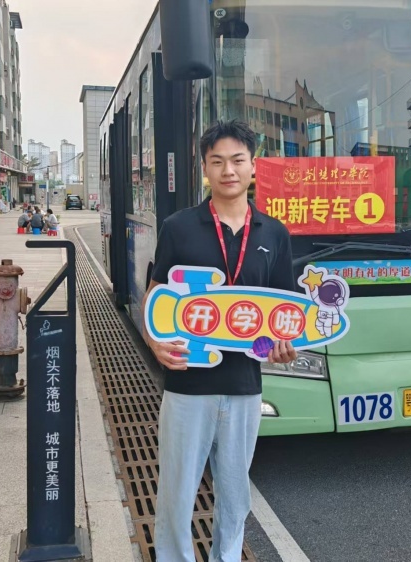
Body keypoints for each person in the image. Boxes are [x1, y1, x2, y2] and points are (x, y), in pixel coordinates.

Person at [144, 120, 297, 562]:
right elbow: (156, 295)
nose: (228, 170)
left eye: (237, 160)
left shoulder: (274, 233)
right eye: (217, 162)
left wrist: (283, 348)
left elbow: (283, 313)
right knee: (177, 493)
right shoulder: (179, 227)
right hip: (188, 384)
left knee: (234, 495)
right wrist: (155, 343)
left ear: (253, 166)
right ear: (205, 169)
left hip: (245, 386)